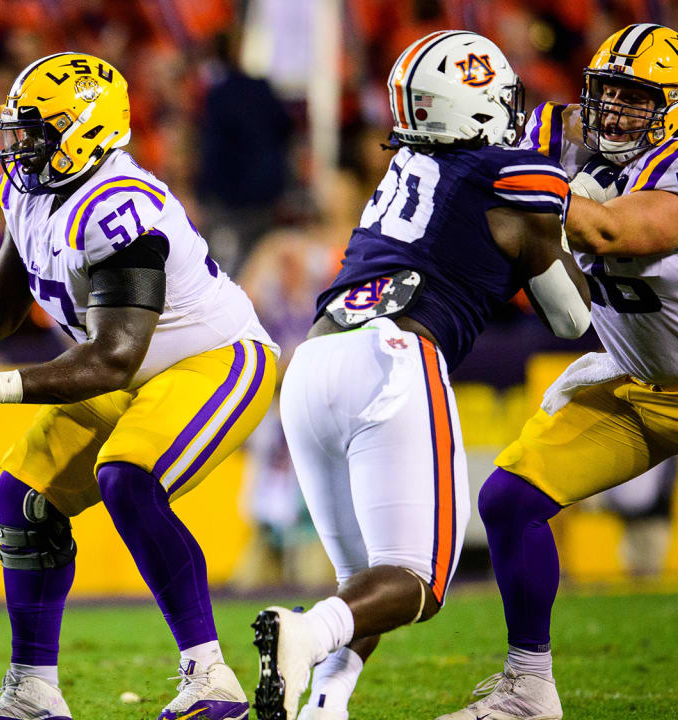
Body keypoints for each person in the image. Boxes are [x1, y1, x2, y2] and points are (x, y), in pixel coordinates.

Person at [0, 52, 279, 720]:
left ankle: (211, 677)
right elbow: (1, 305)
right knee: (26, 492)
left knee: (129, 475)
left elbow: (113, 358)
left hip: (218, 362)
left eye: (40, 131)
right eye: (22, 129)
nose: (22, 145)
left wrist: (0, 385)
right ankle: (34, 691)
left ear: (89, 131)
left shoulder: (120, 208)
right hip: (132, 369)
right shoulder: (33, 194)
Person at [250, 31, 593, 720]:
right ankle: (306, 632)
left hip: (312, 364)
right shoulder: (515, 177)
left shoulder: (407, 164)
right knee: (418, 581)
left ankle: (324, 706)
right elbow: (569, 319)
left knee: (363, 583)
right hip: (392, 360)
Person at [439, 23, 678, 720]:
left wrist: (510, 178)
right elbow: (497, 134)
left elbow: (611, 231)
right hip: (639, 381)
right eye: (606, 96)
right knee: (511, 501)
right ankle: (528, 690)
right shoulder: (570, 140)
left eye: (635, 101)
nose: (613, 115)